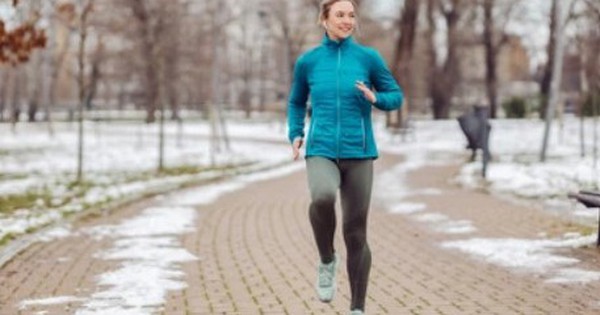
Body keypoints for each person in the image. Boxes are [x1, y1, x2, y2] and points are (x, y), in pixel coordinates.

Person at [286, 1, 404, 314]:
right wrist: (295, 132)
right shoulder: (308, 62)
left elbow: (396, 96)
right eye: (340, 14)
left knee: (355, 231)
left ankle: (357, 307)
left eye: (351, 15)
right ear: (324, 19)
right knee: (322, 197)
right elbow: (297, 102)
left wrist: (375, 97)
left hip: (359, 152)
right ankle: (326, 258)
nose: (347, 20)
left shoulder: (368, 58)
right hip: (321, 148)